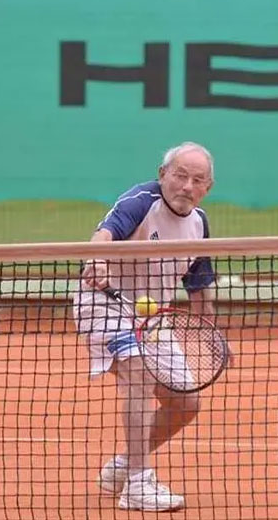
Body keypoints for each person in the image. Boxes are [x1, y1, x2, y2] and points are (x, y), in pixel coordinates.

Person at [73, 141, 218, 511]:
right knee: (137, 375)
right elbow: (105, 235)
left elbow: (199, 289)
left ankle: (122, 466)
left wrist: (214, 338)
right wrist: (99, 260)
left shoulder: (199, 224)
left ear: (207, 187)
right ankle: (139, 483)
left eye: (196, 179)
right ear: (162, 174)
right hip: (104, 303)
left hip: (151, 317)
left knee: (185, 403)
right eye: (180, 175)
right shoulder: (140, 200)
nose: (186, 186)